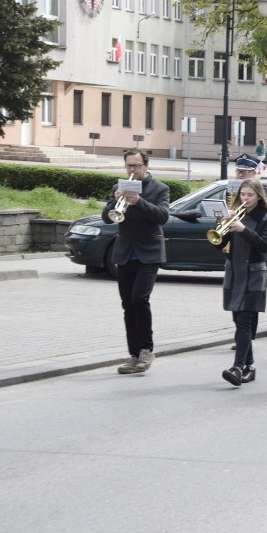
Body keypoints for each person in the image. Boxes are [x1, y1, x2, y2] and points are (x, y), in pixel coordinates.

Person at [105, 149, 170, 375]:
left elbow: (162, 216)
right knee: (127, 304)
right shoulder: (118, 187)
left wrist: (139, 202)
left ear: (146, 166)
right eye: (129, 166)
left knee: (139, 298)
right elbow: (107, 217)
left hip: (149, 253)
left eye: (137, 166)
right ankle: (133, 354)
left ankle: (146, 350)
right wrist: (114, 201)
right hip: (125, 252)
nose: (132, 170)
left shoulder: (160, 189)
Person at [214, 178, 267, 386]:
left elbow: (265, 245)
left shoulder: (266, 217)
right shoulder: (234, 215)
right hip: (235, 272)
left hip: (254, 273)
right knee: (237, 320)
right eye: (242, 195)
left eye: (250, 195)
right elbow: (219, 244)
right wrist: (222, 226)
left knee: (243, 323)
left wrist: (243, 229)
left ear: (258, 196)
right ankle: (249, 366)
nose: (245, 199)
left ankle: (237, 368)